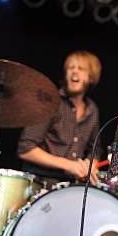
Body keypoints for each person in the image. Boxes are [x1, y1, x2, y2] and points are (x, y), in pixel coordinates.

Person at [18, 50, 103, 187]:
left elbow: (96, 150)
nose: (74, 72)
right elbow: (26, 149)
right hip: (41, 183)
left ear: (91, 77)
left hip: (71, 186)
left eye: (80, 68)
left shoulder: (92, 110)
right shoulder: (50, 103)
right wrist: (69, 165)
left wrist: (91, 165)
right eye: (71, 68)